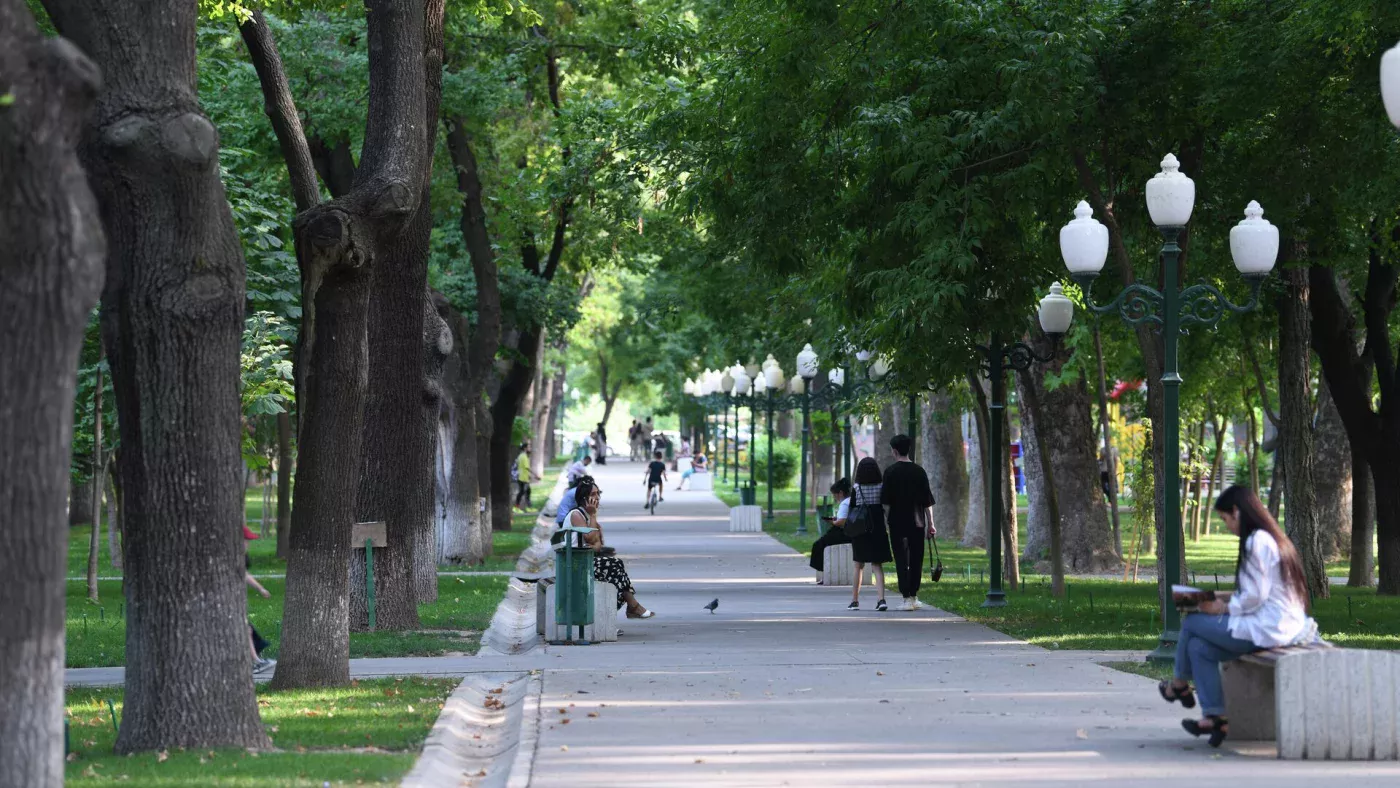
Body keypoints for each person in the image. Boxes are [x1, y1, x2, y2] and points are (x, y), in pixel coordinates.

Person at [1158, 485, 1320, 748]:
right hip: (1275, 624)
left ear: (1236, 512)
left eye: (1225, 519)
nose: (1226, 525)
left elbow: (1254, 596)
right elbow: (1257, 591)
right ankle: (1214, 717)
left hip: (1271, 629)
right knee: (1200, 647)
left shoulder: (1257, 541)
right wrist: (1217, 597)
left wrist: (1222, 608)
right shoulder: (1269, 538)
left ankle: (1178, 684)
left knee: (1193, 622)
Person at [565, 478, 654, 618]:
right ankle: (630, 607)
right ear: (584, 498)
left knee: (615, 567)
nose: (597, 497)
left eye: (598, 493)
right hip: (575, 564)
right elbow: (590, 538)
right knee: (614, 566)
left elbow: (598, 544)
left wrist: (593, 542)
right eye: (593, 494)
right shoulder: (576, 515)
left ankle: (624, 610)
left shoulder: (587, 516)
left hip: (586, 561)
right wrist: (593, 516)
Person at [881, 434, 936, 611]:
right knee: (916, 559)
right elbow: (927, 502)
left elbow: (886, 502)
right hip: (918, 522)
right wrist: (931, 524)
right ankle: (913, 595)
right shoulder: (919, 471)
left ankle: (905, 597)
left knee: (901, 560)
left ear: (895, 451)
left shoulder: (890, 472)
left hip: (897, 522)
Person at [848, 457, 891, 611]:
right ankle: (881, 599)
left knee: (858, 565)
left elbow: (852, 508)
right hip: (877, 528)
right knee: (877, 565)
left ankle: (854, 600)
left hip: (861, 529)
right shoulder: (881, 486)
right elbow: (886, 507)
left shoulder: (857, 488)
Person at [810, 478, 854, 584]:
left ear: (840, 493)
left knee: (818, 545)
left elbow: (842, 522)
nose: (834, 497)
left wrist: (832, 522)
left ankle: (825, 574)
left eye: (834, 494)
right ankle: (824, 574)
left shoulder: (844, 504)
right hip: (850, 532)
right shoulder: (851, 500)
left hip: (842, 533)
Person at [243, 527, 274, 674]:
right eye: (245, 540)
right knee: (246, 630)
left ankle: (255, 661)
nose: (248, 544)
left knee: (247, 630)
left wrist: (260, 589)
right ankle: (255, 662)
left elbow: (245, 574)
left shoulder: (242, 556)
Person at [513, 442, 541, 512]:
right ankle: (519, 507)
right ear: (525, 448)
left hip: (523, 477)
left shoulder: (521, 456)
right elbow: (527, 468)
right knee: (523, 492)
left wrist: (530, 476)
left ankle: (525, 507)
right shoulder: (523, 456)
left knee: (526, 492)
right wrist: (536, 475)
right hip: (522, 478)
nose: (530, 449)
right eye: (529, 447)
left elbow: (523, 468)